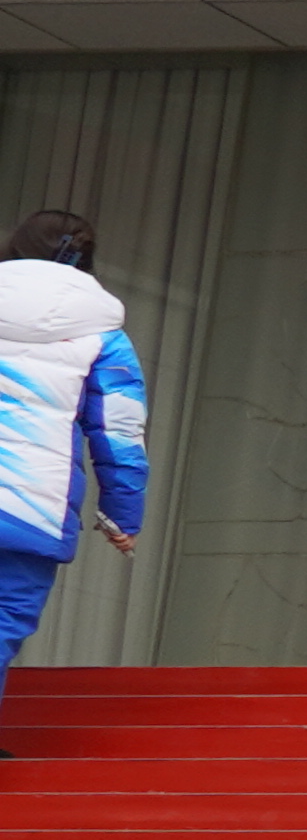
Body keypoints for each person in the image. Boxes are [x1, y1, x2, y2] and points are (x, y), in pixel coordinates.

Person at [0, 209, 146, 758]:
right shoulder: (104, 336)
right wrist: (122, 516)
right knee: (4, 617)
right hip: (32, 507)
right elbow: (120, 434)